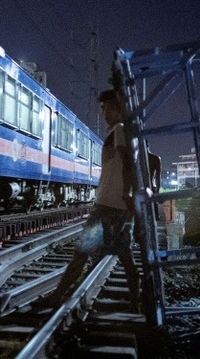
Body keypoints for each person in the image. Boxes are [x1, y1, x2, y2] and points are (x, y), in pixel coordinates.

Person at [47, 88, 140, 308]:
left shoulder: (119, 130)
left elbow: (127, 162)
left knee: (82, 251)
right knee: (125, 255)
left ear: (119, 109)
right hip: (115, 206)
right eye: (103, 109)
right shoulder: (123, 131)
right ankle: (136, 300)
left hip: (108, 206)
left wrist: (126, 192)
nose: (104, 113)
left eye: (108, 108)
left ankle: (58, 295)